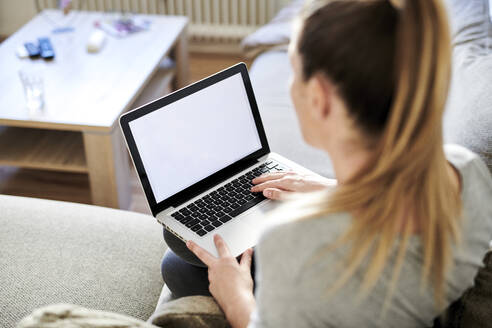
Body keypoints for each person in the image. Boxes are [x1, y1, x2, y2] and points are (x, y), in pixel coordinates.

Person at [162, 0, 492, 327]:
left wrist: (236, 298)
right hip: (419, 303)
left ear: (320, 99)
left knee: (179, 264)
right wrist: (333, 191)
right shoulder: (464, 169)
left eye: (294, 71)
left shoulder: (298, 244)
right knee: (180, 261)